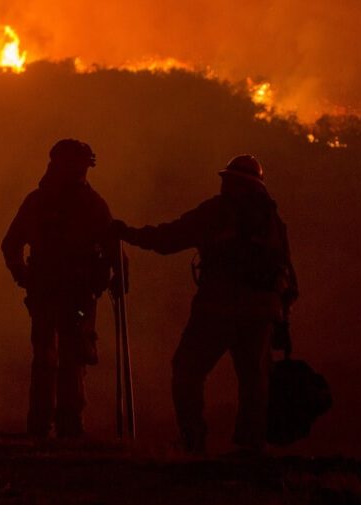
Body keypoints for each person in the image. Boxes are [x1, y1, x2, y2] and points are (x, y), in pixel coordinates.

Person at [113, 155, 298, 456]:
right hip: (261, 313)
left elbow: (167, 239)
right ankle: (250, 445)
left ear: (235, 182)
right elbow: (287, 272)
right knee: (254, 380)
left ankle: (193, 438)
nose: (223, 184)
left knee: (187, 370)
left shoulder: (216, 212)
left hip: (217, 309)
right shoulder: (273, 221)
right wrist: (282, 317)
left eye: (227, 179)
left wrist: (128, 234)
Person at [2, 139, 119, 439]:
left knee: (54, 356)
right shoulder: (85, 203)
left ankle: (45, 426)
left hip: (61, 291)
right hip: (66, 292)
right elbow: (111, 246)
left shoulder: (48, 201)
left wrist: (23, 275)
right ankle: (64, 426)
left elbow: (11, 244)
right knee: (65, 357)